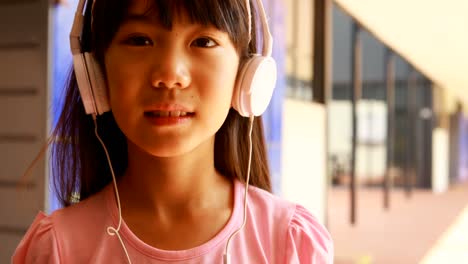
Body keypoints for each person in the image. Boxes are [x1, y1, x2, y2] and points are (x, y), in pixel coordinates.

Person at [12, 0, 333, 263]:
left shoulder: (289, 244)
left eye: (203, 41)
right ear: (95, 72)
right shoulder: (56, 249)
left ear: (247, 75)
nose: (170, 73)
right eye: (139, 39)